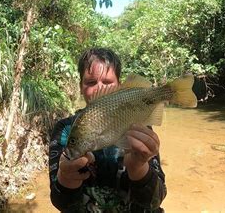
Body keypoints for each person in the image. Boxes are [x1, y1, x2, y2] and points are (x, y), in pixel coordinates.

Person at [49, 47, 167, 212]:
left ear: (120, 85)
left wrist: (138, 166)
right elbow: (60, 202)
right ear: (81, 87)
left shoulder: (137, 127)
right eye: (91, 82)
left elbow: (154, 200)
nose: (99, 88)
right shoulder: (65, 129)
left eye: (107, 82)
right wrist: (66, 177)